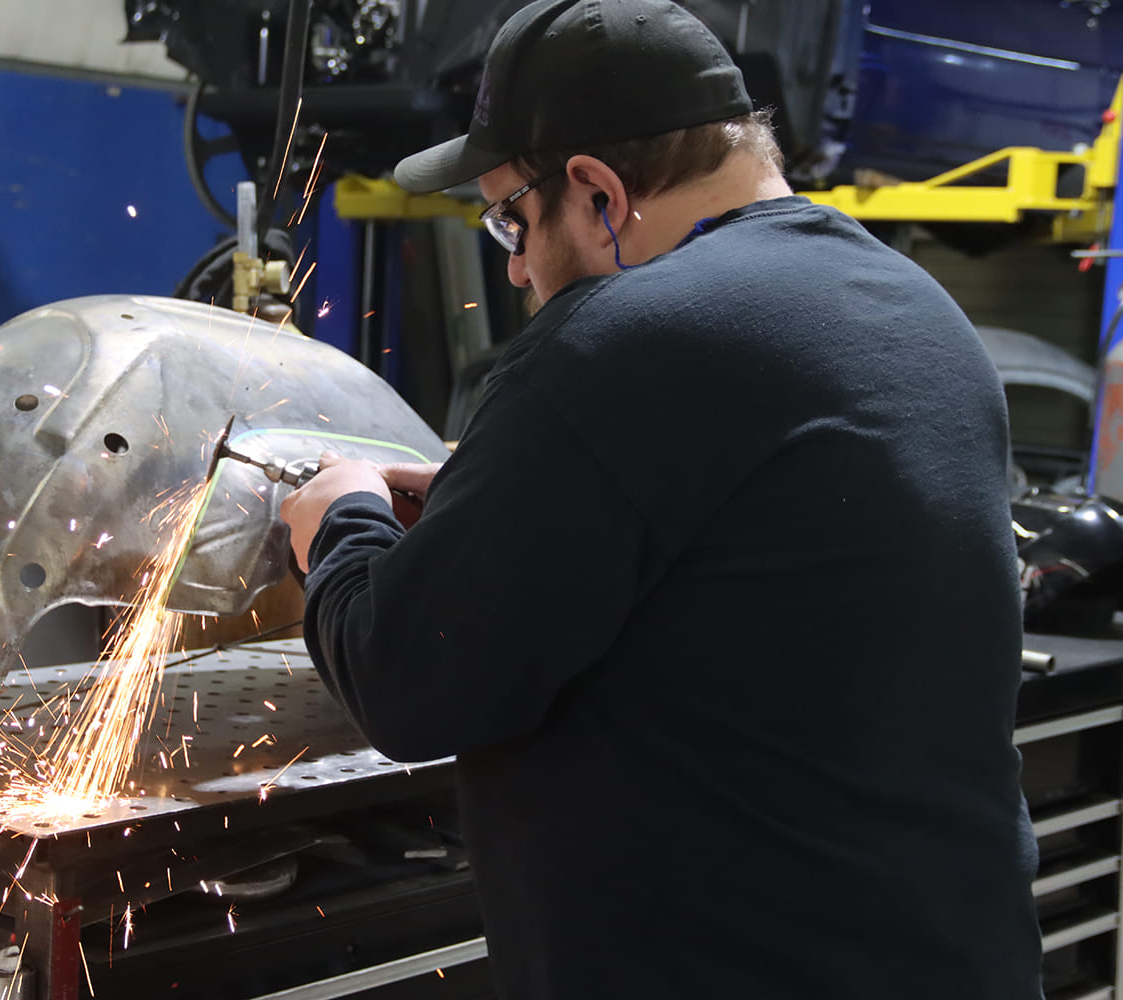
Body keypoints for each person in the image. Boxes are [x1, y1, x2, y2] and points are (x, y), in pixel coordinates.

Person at [278, 1, 1044, 996]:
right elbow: (724, 552)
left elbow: (406, 680)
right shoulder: (915, 309)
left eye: (512, 215)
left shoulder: (619, 341)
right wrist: (494, 495)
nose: (511, 264)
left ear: (597, 194)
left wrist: (339, 517)